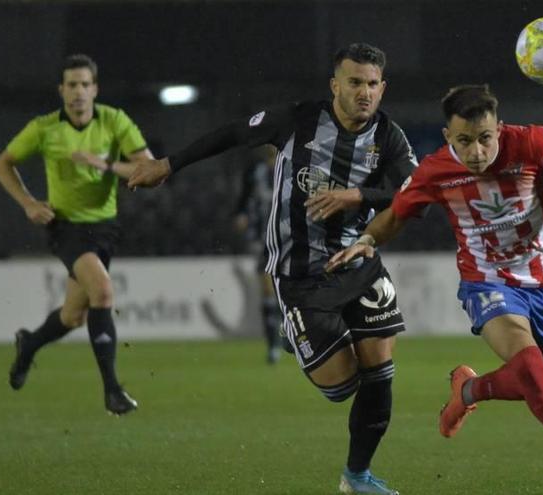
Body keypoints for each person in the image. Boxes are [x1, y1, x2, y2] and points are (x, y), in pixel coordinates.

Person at [328, 84, 543, 491]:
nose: (477, 152)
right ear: (448, 136)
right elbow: (396, 216)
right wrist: (364, 241)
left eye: (485, 139)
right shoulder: (434, 172)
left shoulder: (534, 143)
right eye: (464, 141)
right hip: (485, 281)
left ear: (499, 130)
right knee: (533, 375)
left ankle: (469, 389)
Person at [127, 43, 417, 495]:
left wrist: (356, 197)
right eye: (355, 82)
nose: (364, 92)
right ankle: (295, 331)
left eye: (373, 84)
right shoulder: (299, 120)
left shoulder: (390, 137)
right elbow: (232, 134)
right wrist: (169, 164)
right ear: (335, 84)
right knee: (342, 388)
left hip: (359, 261)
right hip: (300, 275)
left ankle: (356, 477)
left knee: (380, 374)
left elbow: (411, 192)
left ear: (383, 88)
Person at [0, 54, 153, 415]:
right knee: (103, 290)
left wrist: (106, 164)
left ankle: (30, 344)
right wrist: (28, 203)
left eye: (84, 84)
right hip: (65, 226)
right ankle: (113, 391)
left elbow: (148, 167)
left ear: (95, 89)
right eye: (71, 85)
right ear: (61, 90)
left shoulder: (114, 121)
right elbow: (2, 164)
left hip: (105, 228)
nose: (78, 92)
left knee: (72, 316)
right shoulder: (45, 128)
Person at [232, 145, 283, 364]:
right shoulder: (255, 171)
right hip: (264, 239)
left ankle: (292, 335)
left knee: (289, 291)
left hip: (291, 237)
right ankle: (273, 345)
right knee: (267, 290)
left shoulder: (291, 166)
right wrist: (241, 215)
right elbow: (244, 198)